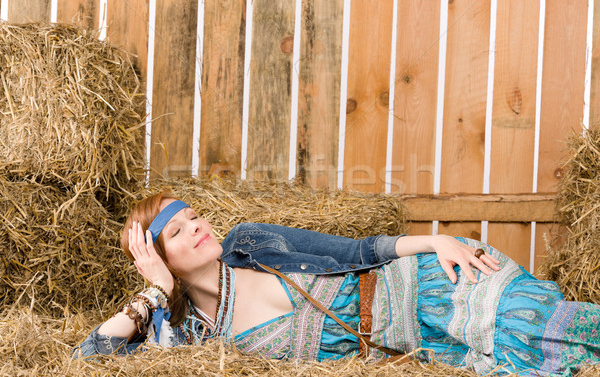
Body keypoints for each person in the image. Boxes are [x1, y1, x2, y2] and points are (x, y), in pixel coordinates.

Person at [73, 191, 600, 376]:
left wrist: (435, 240)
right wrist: (156, 292)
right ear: (158, 255)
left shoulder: (249, 241)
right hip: (416, 343)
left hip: (426, 287)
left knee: (548, 328)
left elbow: (353, 252)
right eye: (180, 230)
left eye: (195, 216)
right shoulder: (193, 341)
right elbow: (88, 358)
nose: (199, 226)